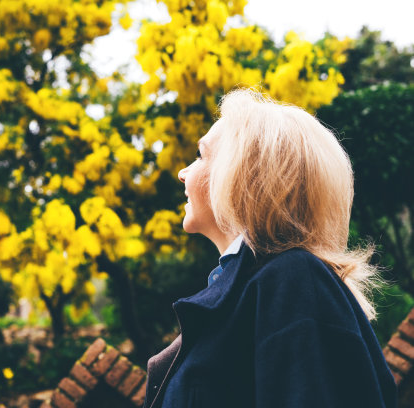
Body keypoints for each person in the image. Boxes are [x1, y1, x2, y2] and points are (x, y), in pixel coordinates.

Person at [143, 89, 397, 408]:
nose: (183, 173)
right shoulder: (260, 287)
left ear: (240, 176)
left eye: (201, 156)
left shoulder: (293, 280)